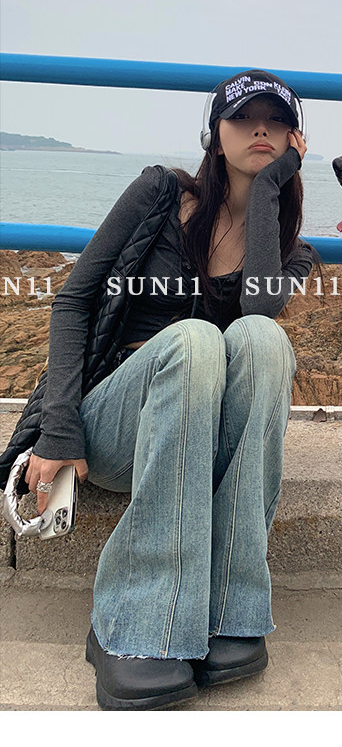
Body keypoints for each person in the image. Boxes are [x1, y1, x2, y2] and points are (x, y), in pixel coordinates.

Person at [23, 69, 313, 710]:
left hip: (196, 440)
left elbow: (258, 310)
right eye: (243, 118)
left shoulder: (289, 256)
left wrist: (267, 190)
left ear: (296, 142)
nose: (259, 130)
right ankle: (133, 622)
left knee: (264, 339)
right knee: (196, 339)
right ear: (215, 133)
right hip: (118, 426)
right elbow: (73, 301)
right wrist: (59, 426)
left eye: (276, 121)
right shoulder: (158, 193)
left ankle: (230, 606)